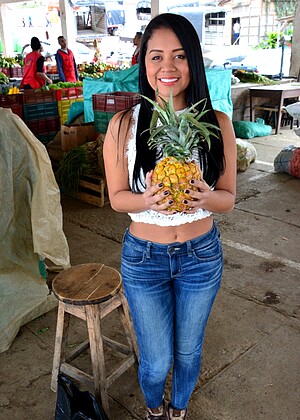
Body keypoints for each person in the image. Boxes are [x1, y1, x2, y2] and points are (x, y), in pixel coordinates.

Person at [103, 13, 236, 420]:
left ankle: (177, 410)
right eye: (156, 56)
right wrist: (147, 201)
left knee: (189, 353)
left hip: (201, 256)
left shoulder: (218, 124)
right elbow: (116, 199)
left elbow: (228, 199)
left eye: (179, 56)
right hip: (144, 258)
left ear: (192, 62)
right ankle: (153, 409)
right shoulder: (123, 126)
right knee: (157, 361)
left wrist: (206, 196)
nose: (167, 67)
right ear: (143, 64)